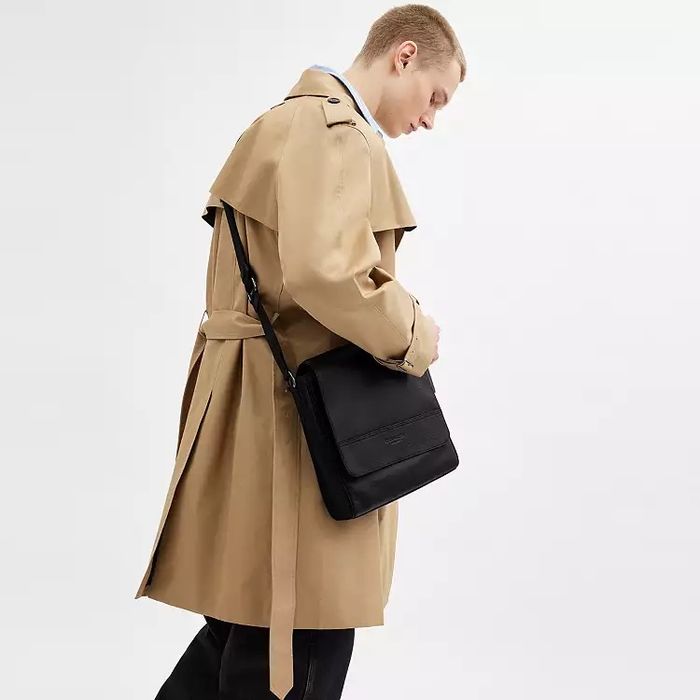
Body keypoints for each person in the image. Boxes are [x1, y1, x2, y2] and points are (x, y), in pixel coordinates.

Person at [135, 5, 466, 699]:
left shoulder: (278, 124)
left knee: (244, 631)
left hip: (253, 412)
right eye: (435, 96)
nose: (431, 118)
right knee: (301, 638)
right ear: (404, 55)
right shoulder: (335, 130)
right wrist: (416, 334)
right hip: (303, 433)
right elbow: (326, 273)